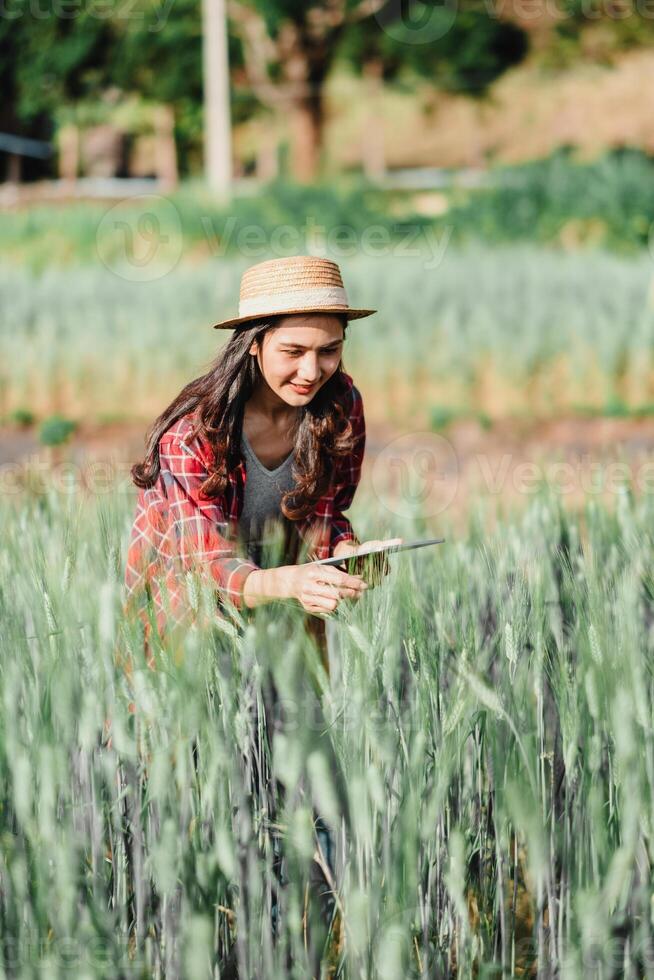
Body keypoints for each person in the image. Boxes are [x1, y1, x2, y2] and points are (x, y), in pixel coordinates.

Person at [120, 254, 401, 970]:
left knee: (312, 786)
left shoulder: (343, 407)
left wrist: (346, 551)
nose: (313, 370)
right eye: (294, 351)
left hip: (286, 620)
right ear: (253, 344)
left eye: (330, 350)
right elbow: (207, 566)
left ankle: (300, 939)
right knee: (222, 788)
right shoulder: (194, 432)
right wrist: (293, 581)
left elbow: (327, 509)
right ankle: (218, 946)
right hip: (190, 628)